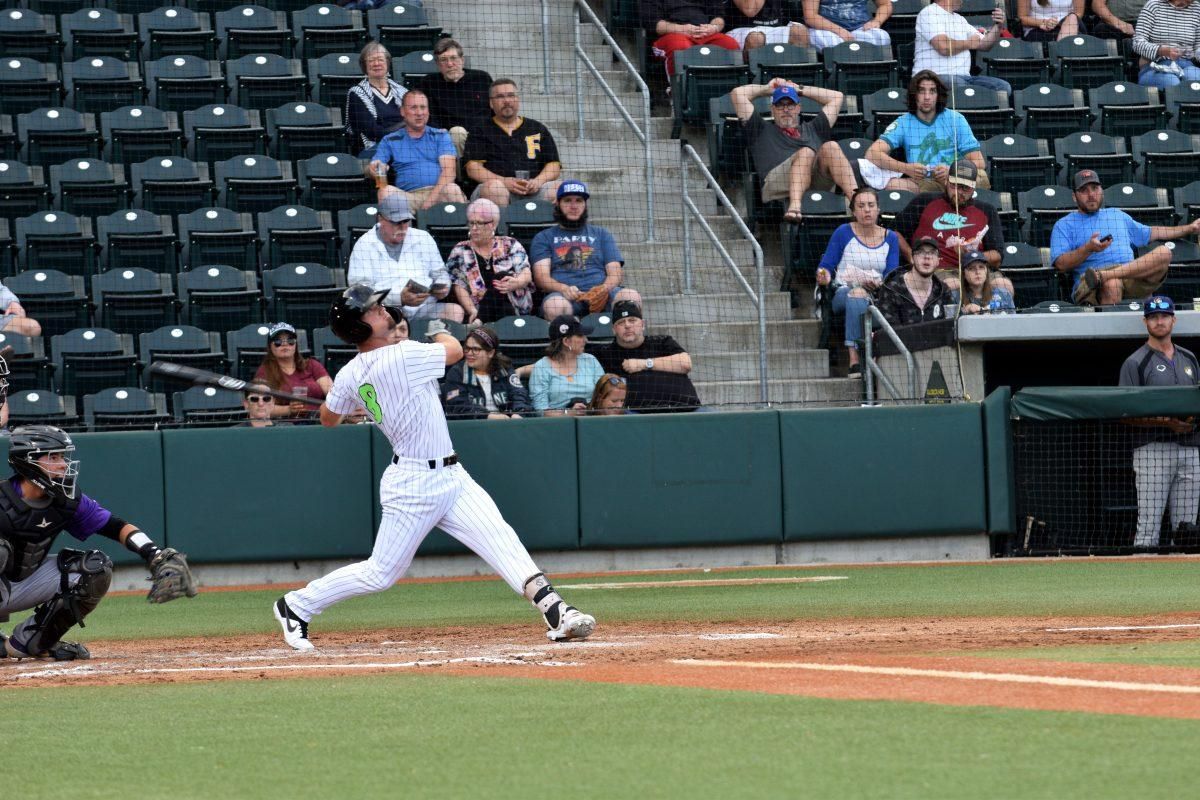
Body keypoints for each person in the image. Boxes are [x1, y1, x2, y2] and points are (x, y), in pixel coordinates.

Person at [272, 285, 595, 649]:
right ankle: (296, 605)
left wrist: (357, 403)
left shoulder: (350, 373)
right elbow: (455, 348)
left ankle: (557, 611)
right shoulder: (401, 355)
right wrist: (437, 324)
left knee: (500, 538)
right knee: (380, 574)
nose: (381, 311)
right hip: (413, 482)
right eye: (372, 310)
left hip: (451, 475)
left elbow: (328, 418)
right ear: (358, 328)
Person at [0, 426, 196, 661]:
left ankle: (32, 641)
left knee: (95, 568)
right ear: (28, 462)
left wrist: (153, 553)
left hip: (24, 583)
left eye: (63, 456)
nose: (63, 464)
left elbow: (116, 526)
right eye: (53, 457)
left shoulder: (66, 500)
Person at [1118, 295, 1200, 550]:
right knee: (1149, 526)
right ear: (1146, 322)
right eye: (1153, 317)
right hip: (1153, 449)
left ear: (1173, 320)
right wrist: (1167, 423)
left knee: (1187, 527)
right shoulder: (1135, 361)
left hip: (1190, 448)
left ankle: (1183, 587)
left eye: (1164, 316)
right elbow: (1125, 413)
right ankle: (1140, 586)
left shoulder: (1190, 359)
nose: (1159, 321)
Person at [1051, 169, 1200, 305]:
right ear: (1074, 197)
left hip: (1130, 274)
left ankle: (1105, 275)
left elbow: (1153, 232)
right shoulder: (1063, 225)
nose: (1091, 195)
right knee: (1113, 284)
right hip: (1090, 283)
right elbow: (1061, 264)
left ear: (1101, 190)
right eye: (1084, 190)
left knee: (1164, 252)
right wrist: (1088, 249)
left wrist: (1190, 228)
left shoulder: (1117, 215)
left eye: (1095, 188)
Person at [730, 78, 858, 223]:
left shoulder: (814, 128)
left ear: (798, 108)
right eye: (779, 105)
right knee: (806, 152)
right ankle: (795, 206)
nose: (786, 110)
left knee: (831, 147)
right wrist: (768, 89)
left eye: (790, 104)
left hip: (814, 181)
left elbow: (836, 97)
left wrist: (799, 89)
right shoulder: (759, 129)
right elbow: (737, 94)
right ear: (772, 109)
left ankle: (857, 200)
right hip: (777, 183)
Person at [815, 187, 902, 374]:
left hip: (878, 293)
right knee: (856, 294)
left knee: (867, 295)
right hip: (843, 292)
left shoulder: (891, 238)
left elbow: (892, 275)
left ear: (879, 209)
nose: (867, 210)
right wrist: (824, 276)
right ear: (853, 211)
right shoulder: (843, 232)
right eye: (861, 206)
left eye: (871, 205)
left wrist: (879, 284)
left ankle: (874, 357)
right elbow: (826, 266)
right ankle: (854, 360)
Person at [863, 72, 991, 194]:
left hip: (956, 181)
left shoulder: (955, 119)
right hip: (925, 184)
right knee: (893, 185)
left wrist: (953, 171)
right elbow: (872, 153)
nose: (927, 97)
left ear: (938, 94)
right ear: (914, 95)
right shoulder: (903, 122)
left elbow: (979, 161)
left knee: (981, 176)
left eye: (932, 91)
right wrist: (906, 168)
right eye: (921, 90)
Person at [530, 181, 641, 320]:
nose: (574, 206)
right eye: (567, 200)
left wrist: (603, 289)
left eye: (579, 201)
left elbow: (615, 273)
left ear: (585, 204)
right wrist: (563, 288)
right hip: (565, 296)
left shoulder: (601, 233)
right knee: (554, 305)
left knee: (631, 296)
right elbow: (541, 278)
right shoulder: (544, 237)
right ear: (557, 204)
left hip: (603, 294)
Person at [347, 191, 463, 323]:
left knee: (455, 312)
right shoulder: (365, 245)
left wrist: (443, 288)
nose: (402, 227)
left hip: (423, 309)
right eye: (396, 222)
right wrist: (398, 298)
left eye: (406, 221)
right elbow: (359, 293)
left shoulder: (423, 238)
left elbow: (440, 273)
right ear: (380, 219)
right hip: (385, 312)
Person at [893, 160, 1007, 292]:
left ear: (974, 188)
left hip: (975, 269)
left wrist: (973, 255)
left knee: (1003, 284)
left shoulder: (987, 210)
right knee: (952, 284)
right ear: (947, 181)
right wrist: (912, 258)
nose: (959, 192)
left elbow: (998, 255)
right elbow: (894, 232)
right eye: (955, 186)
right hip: (938, 271)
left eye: (965, 188)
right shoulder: (924, 201)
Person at [462, 79, 562, 207]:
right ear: (491, 103)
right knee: (494, 188)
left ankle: (547, 227)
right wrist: (504, 182)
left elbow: (553, 166)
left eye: (511, 95)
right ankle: (502, 227)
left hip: (534, 189)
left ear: (517, 99)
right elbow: (473, 169)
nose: (507, 101)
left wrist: (537, 181)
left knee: (562, 188)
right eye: (500, 97)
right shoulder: (480, 130)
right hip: (496, 190)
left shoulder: (537, 128)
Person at [595, 301, 702, 413]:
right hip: (635, 414)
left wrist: (644, 364)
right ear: (613, 329)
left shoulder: (662, 342)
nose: (627, 325)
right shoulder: (606, 353)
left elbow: (686, 364)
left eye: (632, 320)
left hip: (686, 409)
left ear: (642, 324)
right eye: (621, 322)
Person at [368, 89, 466, 211]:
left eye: (423, 107)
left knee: (452, 189)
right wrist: (375, 170)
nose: (419, 113)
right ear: (403, 111)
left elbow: (449, 172)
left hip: (440, 193)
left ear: (428, 111)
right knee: (385, 191)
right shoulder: (390, 140)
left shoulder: (441, 135)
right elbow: (376, 166)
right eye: (413, 108)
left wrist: (430, 201)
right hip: (409, 197)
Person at [446, 198, 535, 323]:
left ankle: (480, 320)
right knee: (503, 299)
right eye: (471, 223)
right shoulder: (460, 250)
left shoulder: (510, 244)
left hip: (515, 304)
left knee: (502, 278)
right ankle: (487, 320)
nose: (474, 228)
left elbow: (526, 274)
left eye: (479, 223)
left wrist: (516, 283)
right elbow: (458, 286)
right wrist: (472, 310)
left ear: (492, 224)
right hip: (478, 307)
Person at [912, 0, 1012, 93]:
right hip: (933, 76)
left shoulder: (960, 19)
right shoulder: (929, 13)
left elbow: (985, 45)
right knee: (960, 87)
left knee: (1002, 87)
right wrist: (969, 43)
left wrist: (998, 26)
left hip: (965, 77)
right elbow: (944, 47)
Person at [415, 38, 493, 155]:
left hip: (482, 135)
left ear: (462, 60)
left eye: (453, 58)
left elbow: (493, 110)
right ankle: (461, 172)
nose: (450, 64)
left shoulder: (482, 79)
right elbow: (430, 118)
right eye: (443, 60)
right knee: (457, 132)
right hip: (447, 139)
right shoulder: (428, 83)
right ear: (437, 64)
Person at [441, 326, 532, 420]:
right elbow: (457, 405)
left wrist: (518, 413)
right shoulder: (457, 373)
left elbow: (519, 394)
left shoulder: (504, 368)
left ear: (491, 353)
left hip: (507, 425)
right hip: (473, 428)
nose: (469, 353)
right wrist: (487, 416)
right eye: (467, 348)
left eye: (476, 349)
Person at [642, 0, 740, 80]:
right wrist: (681, 29)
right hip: (672, 34)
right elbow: (654, 24)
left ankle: (730, 92)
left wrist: (713, 27)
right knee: (681, 48)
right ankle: (678, 94)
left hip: (705, 33)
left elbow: (718, 17)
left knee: (730, 45)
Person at [529, 314, 606, 415]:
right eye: (580, 336)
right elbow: (540, 410)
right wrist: (568, 413)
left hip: (591, 420)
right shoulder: (541, 367)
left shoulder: (590, 361)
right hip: (557, 425)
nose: (586, 340)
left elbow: (604, 395)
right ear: (566, 341)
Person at [253, 322, 332, 420]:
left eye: (290, 340)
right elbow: (259, 408)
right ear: (270, 346)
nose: (285, 344)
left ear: (296, 345)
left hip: (320, 420)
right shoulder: (264, 371)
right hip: (285, 425)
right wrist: (289, 409)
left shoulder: (312, 365)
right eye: (278, 341)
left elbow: (333, 394)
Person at [873, 236, 954, 326]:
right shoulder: (892, 289)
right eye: (921, 252)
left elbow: (951, 327)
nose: (927, 257)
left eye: (932, 253)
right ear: (912, 258)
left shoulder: (943, 291)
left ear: (938, 261)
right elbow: (889, 332)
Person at [345, 41, 407, 157]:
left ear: (387, 63)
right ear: (364, 66)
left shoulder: (403, 92)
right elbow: (373, 133)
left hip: (404, 144)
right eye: (371, 60)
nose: (376, 63)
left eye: (380, 59)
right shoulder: (357, 94)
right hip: (373, 149)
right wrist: (405, 124)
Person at [1130, 0, 1200, 88]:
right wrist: (1161, 50)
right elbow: (1137, 43)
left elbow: (1198, 45)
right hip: (1155, 66)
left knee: (1196, 79)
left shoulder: (1196, 8)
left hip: (1186, 64)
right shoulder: (1154, 5)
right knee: (1172, 83)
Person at [725, 0, 813, 51]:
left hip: (774, 28)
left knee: (800, 32)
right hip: (742, 28)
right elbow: (750, 10)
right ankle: (755, 82)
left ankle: (794, 80)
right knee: (756, 39)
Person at [802, 0, 892, 49]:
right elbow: (810, 16)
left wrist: (876, 21)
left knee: (882, 36)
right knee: (830, 43)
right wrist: (840, 31)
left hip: (860, 29)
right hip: (827, 31)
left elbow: (885, 4)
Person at [952, 250, 1016, 313]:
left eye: (981, 267)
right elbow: (949, 321)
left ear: (986, 271)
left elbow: (1014, 321)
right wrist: (965, 313)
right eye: (971, 268)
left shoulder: (1003, 294)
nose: (977, 272)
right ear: (964, 273)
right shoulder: (954, 297)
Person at [1017, 0, 1084, 40]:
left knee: (1072, 18)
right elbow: (1022, 18)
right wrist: (1043, 22)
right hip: (1037, 28)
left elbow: (1079, 13)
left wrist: (1061, 23)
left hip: (1069, 26)